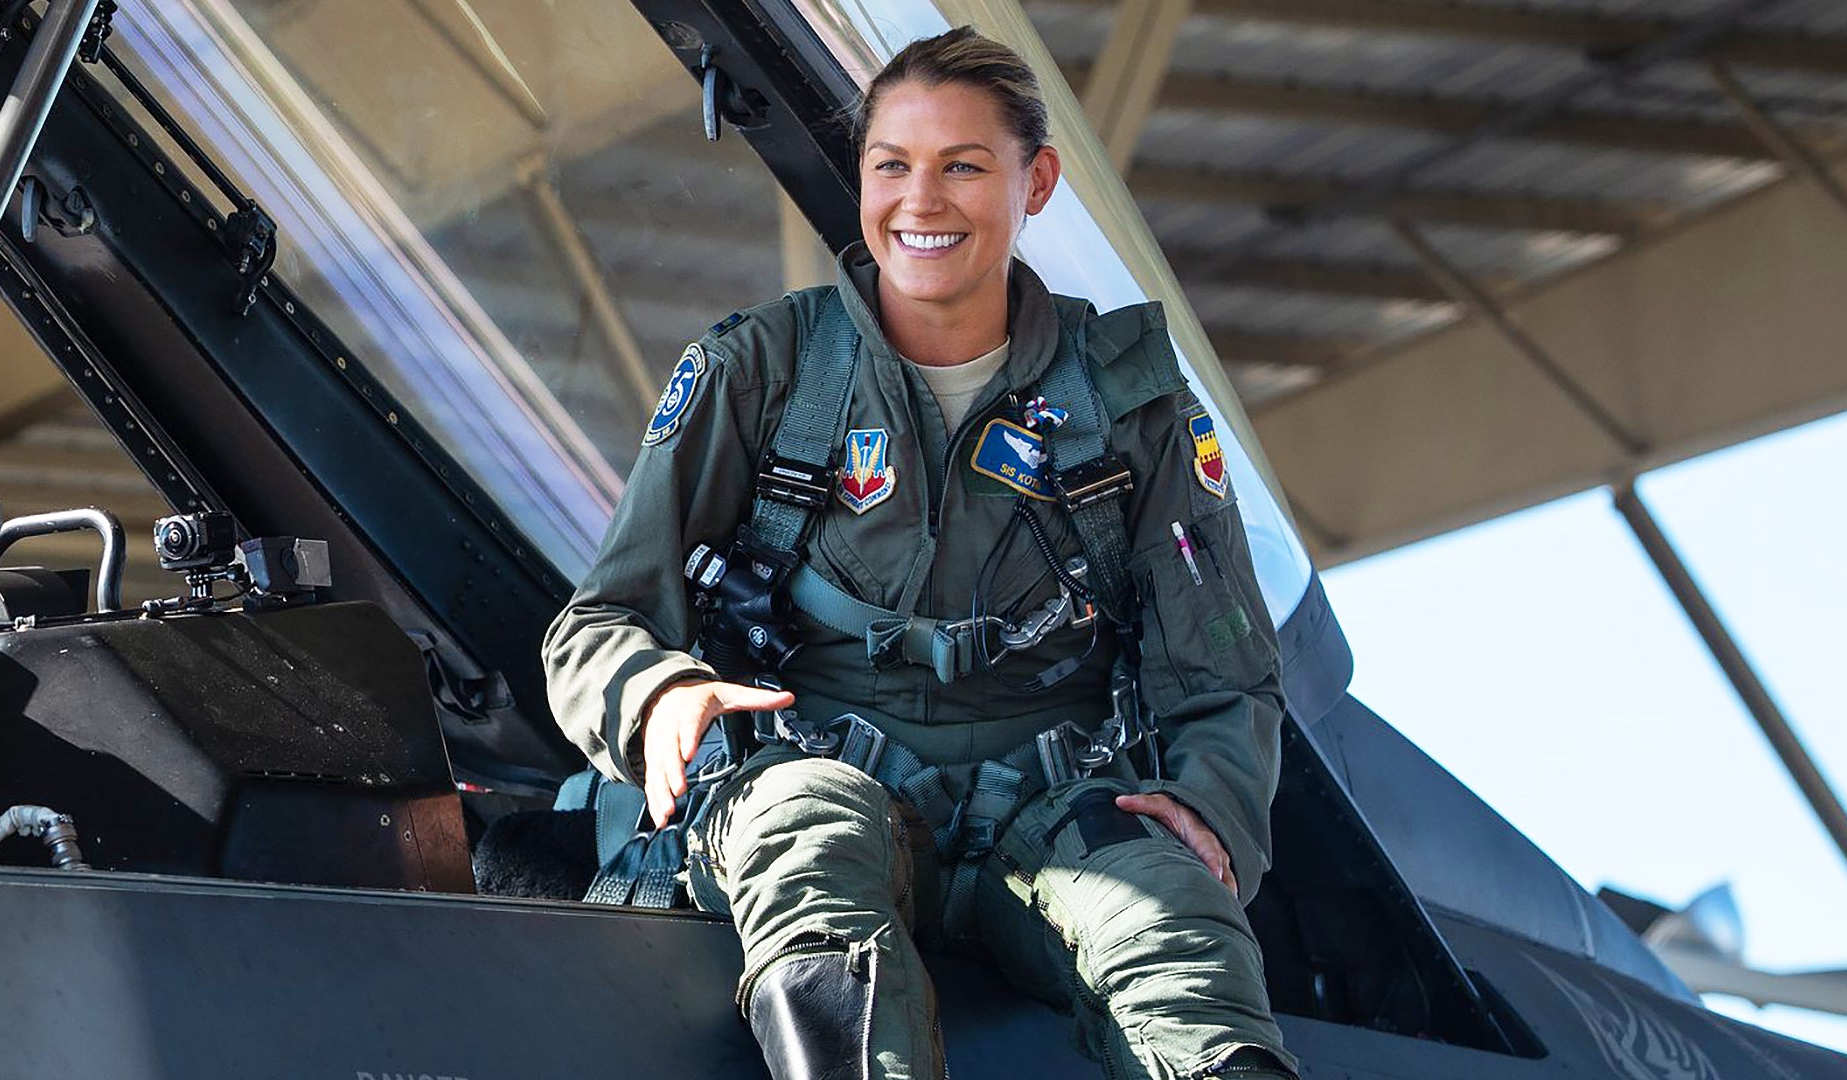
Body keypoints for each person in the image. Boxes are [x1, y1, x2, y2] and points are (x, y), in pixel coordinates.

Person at [543, 26, 1299, 1080]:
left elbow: (1224, 673)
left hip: (1055, 817)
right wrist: (657, 695)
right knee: (806, 829)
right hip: (819, 785)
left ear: (1037, 183)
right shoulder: (765, 373)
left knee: (1171, 922)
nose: (921, 201)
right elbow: (598, 625)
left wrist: (1210, 811)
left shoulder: (1129, 405)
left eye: (963, 166)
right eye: (892, 165)